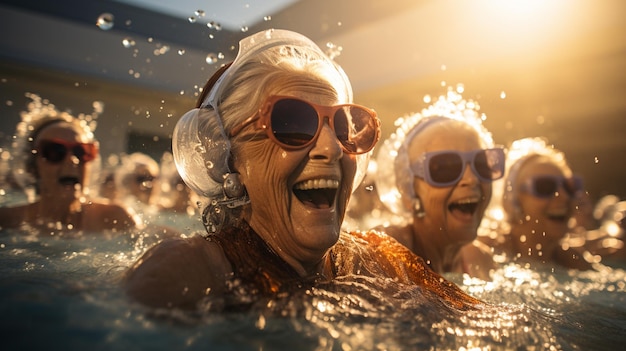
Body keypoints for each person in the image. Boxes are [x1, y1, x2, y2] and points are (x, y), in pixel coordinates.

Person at [123, 29, 482, 311]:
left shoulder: (379, 261)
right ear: (231, 158)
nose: (330, 148)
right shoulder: (188, 274)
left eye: (344, 126)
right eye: (292, 124)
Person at [371, 87, 502, 280]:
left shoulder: (481, 260)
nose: (471, 179)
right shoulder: (382, 256)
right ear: (408, 191)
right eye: (445, 168)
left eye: (481, 164)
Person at [0, 93, 140, 235]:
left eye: (81, 151)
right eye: (55, 151)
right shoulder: (6, 222)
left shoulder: (114, 219)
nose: (72, 160)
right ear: (32, 167)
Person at [479, 137, 593, 270]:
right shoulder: (485, 252)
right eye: (545, 186)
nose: (563, 196)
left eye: (568, 186)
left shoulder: (572, 261)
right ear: (514, 201)